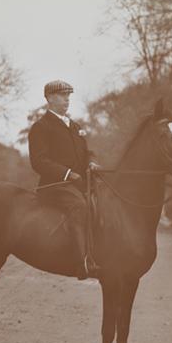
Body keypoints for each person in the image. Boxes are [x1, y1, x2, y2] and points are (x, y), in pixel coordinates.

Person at [28, 80, 101, 280]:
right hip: (55, 186)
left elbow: (88, 152)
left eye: (68, 95)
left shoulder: (75, 126)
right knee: (79, 206)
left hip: (79, 183)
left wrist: (92, 162)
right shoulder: (41, 127)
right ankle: (82, 262)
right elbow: (39, 162)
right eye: (62, 95)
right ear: (49, 98)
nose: (67, 99)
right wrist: (68, 174)